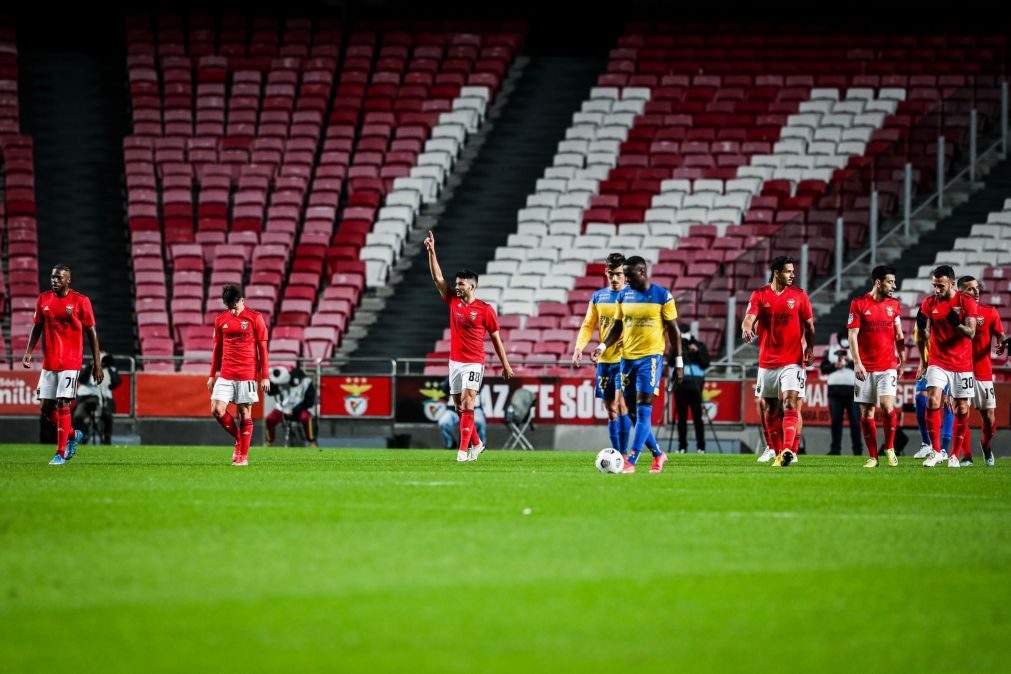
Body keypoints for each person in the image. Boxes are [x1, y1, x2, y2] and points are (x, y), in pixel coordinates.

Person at [424, 230, 513, 462]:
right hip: (455, 362)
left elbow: (496, 339)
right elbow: (437, 278)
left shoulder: (485, 310)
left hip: (474, 362)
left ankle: (463, 452)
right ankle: (477, 443)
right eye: (456, 283)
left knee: (467, 401)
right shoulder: (452, 299)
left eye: (461, 284)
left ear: (472, 287)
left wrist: (505, 365)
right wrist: (432, 252)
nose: (457, 286)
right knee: (458, 407)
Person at [593, 255, 684, 473]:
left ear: (642, 272)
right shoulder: (624, 295)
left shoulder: (662, 296)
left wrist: (679, 362)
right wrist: (603, 347)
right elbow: (616, 326)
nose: (626, 280)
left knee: (644, 409)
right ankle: (658, 455)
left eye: (630, 276)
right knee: (633, 413)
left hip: (650, 358)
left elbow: (674, 331)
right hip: (626, 360)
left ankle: (631, 460)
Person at [22, 264, 104, 465]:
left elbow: (92, 333)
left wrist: (97, 363)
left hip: (70, 361)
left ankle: (60, 453)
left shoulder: (81, 301)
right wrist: (28, 352)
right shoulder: (44, 299)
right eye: (52, 277)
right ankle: (74, 434)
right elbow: (37, 326)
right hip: (50, 362)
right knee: (46, 409)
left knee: (62, 402)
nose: (55, 281)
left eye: (59, 278)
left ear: (69, 280)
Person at [741, 255, 816, 468]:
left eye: (793, 271)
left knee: (791, 402)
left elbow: (810, 327)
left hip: (793, 360)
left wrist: (809, 349)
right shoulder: (760, 295)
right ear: (776, 273)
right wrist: (746, 328)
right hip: (767, 362)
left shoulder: (800, 296)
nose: (793, 275)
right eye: (788, 271)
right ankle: (776, 452)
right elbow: (749, 317)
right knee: (769, 408)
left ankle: (788, 450)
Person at [917, 265, 977, 468]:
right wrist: (921, 326)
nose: (936, 289)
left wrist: (956, 325)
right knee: (932, 400)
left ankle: (954, 454)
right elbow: (924, 332)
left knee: (961, 407)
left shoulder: (965, 301)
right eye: (934, 285)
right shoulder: (929, 302)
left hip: (962, 364)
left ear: (951, 282)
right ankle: (935, 451)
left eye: (940, 285)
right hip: (938, 360)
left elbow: (971, 333)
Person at [572, 252, 631, 455]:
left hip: (626, 359)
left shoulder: (634, 296)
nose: (614, 279)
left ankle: (623, 454)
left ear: (626, 274)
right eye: (611, 274)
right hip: (605, 360)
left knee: (622, 404)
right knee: (611, 409)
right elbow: (588, 325)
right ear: (606, 273)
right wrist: (579, 347)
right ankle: (616, 453)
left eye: (618, 274)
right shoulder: (599, 297)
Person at [847, 265, 905, 467]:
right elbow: (852, 335)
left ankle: (889, 447)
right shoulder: (859, 304)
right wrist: (857, 363)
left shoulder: (894, 305)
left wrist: (903, 355)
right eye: (890, 282)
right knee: (866, 412)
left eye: (894, 282)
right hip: (865, 367)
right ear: (878, 282)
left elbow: (899, 334)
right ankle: (873, 457)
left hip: (887, 365)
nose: (894, 286)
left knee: (887, 406)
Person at [208, 284, 270, 466]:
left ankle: (242, 457)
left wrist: (265, 376)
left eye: (235, 307)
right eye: (229, 308)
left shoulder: (255, 318)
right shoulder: (221, 319)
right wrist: (212, 374)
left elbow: (263, 349)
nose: (233, 311)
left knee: (244, 412)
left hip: (247, 373)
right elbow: (217, 349)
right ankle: (240, 439)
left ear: (242, 300)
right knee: (217, 409)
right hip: (226, 373)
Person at [958, 276, 1008, 466]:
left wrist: (1003, 342)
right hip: (960, 370)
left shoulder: (989, 312)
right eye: (971, 289)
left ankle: (986, 446)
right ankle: (967, 456)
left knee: (988, 417)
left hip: (983, 372)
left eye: (977, 288)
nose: (976, 292)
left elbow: (1000, 334)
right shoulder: (954, 314)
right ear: (961, 291)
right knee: (962, 412)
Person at [819, 334, 862, 456]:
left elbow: (863, 368)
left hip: (853, 389)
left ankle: (857, 450)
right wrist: (834, 366)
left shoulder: (855, 349)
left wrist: (849, 362)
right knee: (836, 421)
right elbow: (823, 368)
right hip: (834, 389)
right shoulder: (831, 349)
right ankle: (835, 449)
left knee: (855, 421)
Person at [673, 324, 710, 454]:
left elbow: (706, 363)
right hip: (680, 386)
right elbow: (670, 360)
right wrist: (678, 350)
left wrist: (697, 351)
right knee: (681, 418)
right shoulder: (676, 345)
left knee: (697, 418)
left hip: (695, 386)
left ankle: (701, 447)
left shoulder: (699, 345)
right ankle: (682, 447)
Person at [74, 353, 122, 445]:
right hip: (87, 397)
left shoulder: (111, 370)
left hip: (104, 399)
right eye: (102, 360)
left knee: (108, 416)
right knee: (78, 415)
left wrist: (110, 369)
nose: (103, 363)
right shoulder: (88, 367)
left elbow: (116, 383)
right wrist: (92, 365)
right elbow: (82, 379)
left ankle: (107, 438)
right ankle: (83, 435)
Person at [265, 365, 318, 448]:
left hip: (300, 409)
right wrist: (271, 381)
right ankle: (269, 441)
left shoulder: (306, 382)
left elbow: (309, 402)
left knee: (307, 418)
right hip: (282, 409)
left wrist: (295, 410)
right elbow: (270, 392)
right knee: (269, 419)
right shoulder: (279, 381)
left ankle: (312, 441)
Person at [436, 377, 487, 449]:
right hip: (453, 410)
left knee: (479, 422)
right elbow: (444, 388)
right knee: (443, 422)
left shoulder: (475, 373)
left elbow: (478, 386)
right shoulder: (454, 374)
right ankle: (450, 444)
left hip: (474, 408)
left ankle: (480, 445)